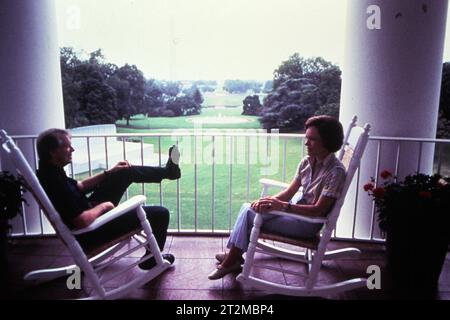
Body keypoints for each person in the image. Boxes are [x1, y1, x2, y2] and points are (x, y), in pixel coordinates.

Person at [208, 115, 346, 280]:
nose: (306, 143)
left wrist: (280, 206)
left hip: (307, 224)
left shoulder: (335, 172)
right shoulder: (307, 162)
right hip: (294, 212)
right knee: (249, 207)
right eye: (306, 138)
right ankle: (234, 256)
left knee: (250, 213)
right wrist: (268, 202)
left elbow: (318, 210)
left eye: (312, 139)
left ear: (328, 142)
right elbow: (289, 193)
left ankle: (231, 260)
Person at [36, 128, 180, 270]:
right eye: (67, 147)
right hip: (93, 231)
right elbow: (81, 221)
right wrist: (104, 206)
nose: (72, 150)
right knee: (161, 213)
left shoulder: (49, 171)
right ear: (52, 151)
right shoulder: (54, 182)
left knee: (124, 171)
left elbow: (79, 186)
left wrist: (110, 172)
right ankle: (152, 261)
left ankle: (169, 172)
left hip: (91, 212)